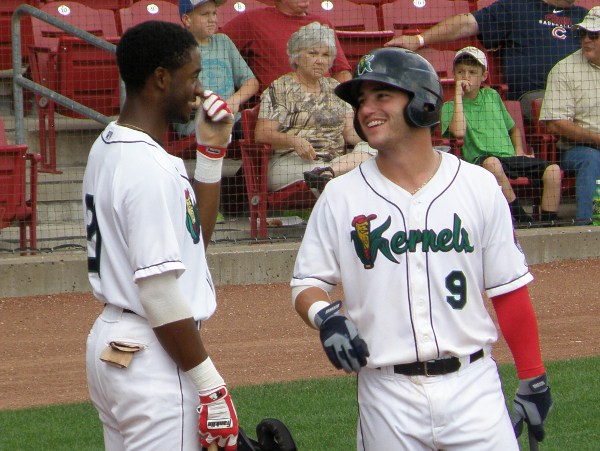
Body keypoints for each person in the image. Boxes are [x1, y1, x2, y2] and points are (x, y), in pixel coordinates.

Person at [290, 47, 553, 449]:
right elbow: (307, 282)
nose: (367, 109)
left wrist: (533, 375)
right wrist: (324, 318)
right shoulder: (340, 196)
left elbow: (509, 289)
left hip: (474, 389)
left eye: (382, 95)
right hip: (386, 395)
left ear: (422, 100)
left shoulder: (477, 186)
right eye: (362, 100)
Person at [83, 21, 238, 450]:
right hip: (155, 353)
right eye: (192, 76)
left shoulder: (109, 146)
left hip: (116, 346)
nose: (199, 89)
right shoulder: (148, 168)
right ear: (161, 78)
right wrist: (210, 385)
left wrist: (211, 153)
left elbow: (192, 247)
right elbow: (157, 290)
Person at [385, 0, 589, 118]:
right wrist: (419, 39)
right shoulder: (517, 6)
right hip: (535, 95)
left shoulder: (587, 17)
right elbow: (467, 23)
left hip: (581, 95)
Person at [441, 46, 561, 224]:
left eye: (472, 72)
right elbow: (458, 132)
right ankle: (520, 218)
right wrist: (458, 96)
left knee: (553, 171)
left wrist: (519, 151)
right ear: (454, 75)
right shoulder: (449, 106)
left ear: (484, 76)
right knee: (492, 163)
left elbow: (514, 129)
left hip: (509, 158)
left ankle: (548, 223)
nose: (466, 76)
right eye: (460, 72)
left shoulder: (492, 96)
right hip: (480, 162)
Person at [254, 22, 374, 194]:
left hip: (336, 161)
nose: (320, 61)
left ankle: (329, 173)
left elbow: (350, 132)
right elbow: (262, 134)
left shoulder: (334, 88)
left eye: (325, 55)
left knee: (375, 149)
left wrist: (374, 140)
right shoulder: (281, 88)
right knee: (340, 176)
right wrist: (294, 141)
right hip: (289, 162)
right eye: (313, 53)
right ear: (296, 57)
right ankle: (328, 175)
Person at [540, 6, 600, 224]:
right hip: (578, 149)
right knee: (592, 158)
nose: (586, 40)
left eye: (593, 35)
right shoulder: (565, 69)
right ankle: (589, 225)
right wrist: (596, 139)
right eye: (582, 34)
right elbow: (555, 124)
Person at [221, 0, 352, 92]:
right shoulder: (251, 21)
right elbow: (213, 46)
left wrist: (335, 101)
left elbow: (342, 72)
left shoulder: (323, 23)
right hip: (277, 111)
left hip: (322, 106)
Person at [176, 0, 259, 140]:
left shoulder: (223, 42)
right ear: (186, 19)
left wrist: (234, 100)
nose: (212, 19)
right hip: (197, 125)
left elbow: (251, 82)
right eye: (205, 14)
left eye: (214, 13)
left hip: (232, 120)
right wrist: (192, 102)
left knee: (263, 128)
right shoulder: (177, 48)